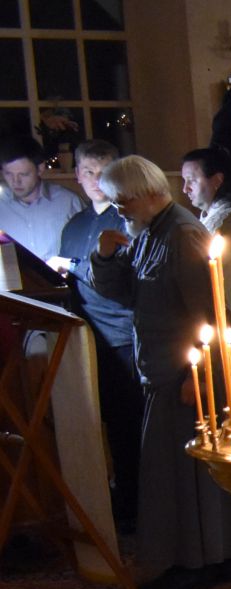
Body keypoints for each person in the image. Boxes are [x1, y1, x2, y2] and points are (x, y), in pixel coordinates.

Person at [87, 155, 231, 589]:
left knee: (191, 477)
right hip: (163, 372)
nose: (118, 210)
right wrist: (104, 258)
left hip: (188, 378)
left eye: (123, 201)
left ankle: (205, 562)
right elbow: (129, 294)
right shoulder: (150, 232)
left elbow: (212, 314)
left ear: (149, 194)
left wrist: (198, 374)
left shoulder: (183, 235)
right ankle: (204, 558)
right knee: (177, 475)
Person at [55, 140, 142, 527]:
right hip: (85, 335)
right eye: (87, 172)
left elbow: (122, 282)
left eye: (103, 172)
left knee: (128, 425)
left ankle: (136, 506)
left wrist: (78, 267)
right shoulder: (75, 225)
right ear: (77, 175)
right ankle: (112, 500)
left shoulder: (126, 221)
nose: (95, 180)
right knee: (100, 424)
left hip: (123, 336)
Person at [180, 146, 231, 352]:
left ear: (217, 180)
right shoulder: (208, 217)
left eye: (191, 180)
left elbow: (202, 269)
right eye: (184, 181)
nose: (185, 189)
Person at [0, 136, 84, 260]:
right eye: (8, 174)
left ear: (40, 168)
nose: (15, 181)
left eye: (23, 174)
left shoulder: (68, 201)